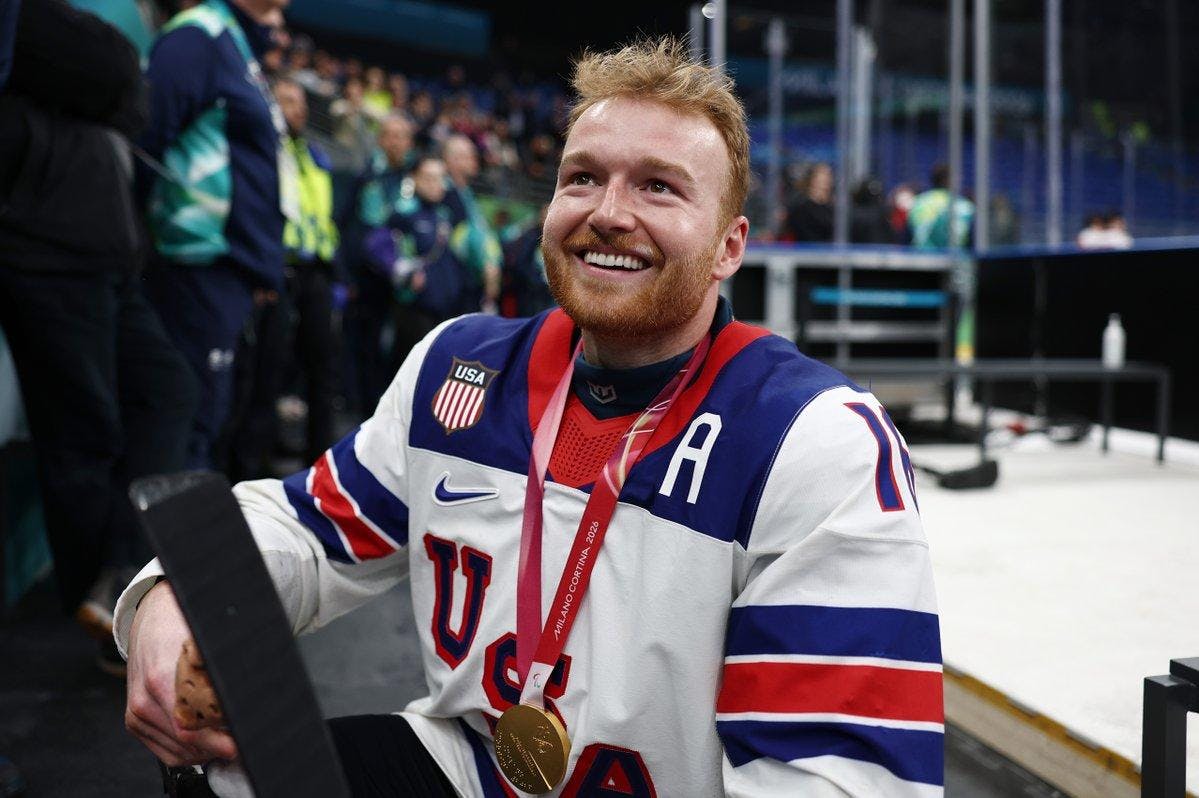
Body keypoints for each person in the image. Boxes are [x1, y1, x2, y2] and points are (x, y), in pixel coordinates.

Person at [118, 38, 943, 796]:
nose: (608, 212)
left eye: (657, 186)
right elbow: (307, 528)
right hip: (470, 766)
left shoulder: (812, 438)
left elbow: (846, 781)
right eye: (582, 177)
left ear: (730, 246)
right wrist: (171, 596)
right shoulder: (459, 367)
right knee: (226, 782)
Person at [0, 0, 196, 674]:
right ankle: (105, 609)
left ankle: (114, 571)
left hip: (107, 255)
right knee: (81, 436)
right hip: (46, 254)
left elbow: (121, 86)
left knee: (169, 390)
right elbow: (116, 77)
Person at [137, 0, 294, 469]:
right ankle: (164, 543)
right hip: (193, 268)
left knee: (208, 420)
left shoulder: (234, 43)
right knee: (188, 423)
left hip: (228, 274)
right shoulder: (199, 35)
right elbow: (145, 140)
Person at [442, 134, 502, 314]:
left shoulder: (465, 192)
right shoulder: (446, 193)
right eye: (469, 156)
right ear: (452, 160)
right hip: (456, 285)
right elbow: (464, 236)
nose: (475, 160)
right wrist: (487, 263)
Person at [907, 163, 975, 249]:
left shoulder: (917, 202)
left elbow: (908, 237)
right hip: (955, 260)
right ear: (948, 180)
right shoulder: (964, 206)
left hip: (921, 259)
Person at [781, 161, 834, 241]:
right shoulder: (801, 208)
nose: (827, 180)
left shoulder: (832, 208)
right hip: (807, 250)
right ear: (813, 180)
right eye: (823, 176)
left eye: (829, 176)